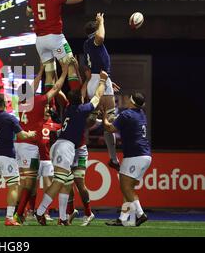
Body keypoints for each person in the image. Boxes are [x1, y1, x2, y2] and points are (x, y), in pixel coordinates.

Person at [35, 71, 108, 226]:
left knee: (67, 182)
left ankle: (62, 218)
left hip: (58, 145)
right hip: (66, 148)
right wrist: (102, 81)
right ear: (80, 100)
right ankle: (40, 211)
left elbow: (74, 95)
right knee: (58, 182)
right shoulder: (81, 110)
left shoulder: (68, 108)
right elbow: (97, 96)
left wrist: (81, 78)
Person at [13, 62, 68, 224]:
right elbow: (56, 88)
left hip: (19, 144)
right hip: (30, 146)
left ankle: (21, 213)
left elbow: (34, 84)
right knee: (29, 183)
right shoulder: (39, 101)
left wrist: (41, 70)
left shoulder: (22, 103)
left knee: (26, 181)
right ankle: (19, 214)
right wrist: (64, 72)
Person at [26, 0, 92, 94]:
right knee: (71, 67)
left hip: (40, 41)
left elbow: (28, 12)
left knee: (49, 74)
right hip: (55, 39)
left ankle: (49, 109)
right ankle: (75, 105)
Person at [0, 95, 36, 226]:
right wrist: (30, 134)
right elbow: (21, 135)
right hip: (7, 156)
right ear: (4, 103)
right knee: (13, 186)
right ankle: (9, 218)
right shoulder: (10, 118)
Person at [102, 93, 151, 227]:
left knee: (126, 187)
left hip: (135, 156)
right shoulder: (141, 113)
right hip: (144, 155)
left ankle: (140, 215)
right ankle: (123, 218)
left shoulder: (127, 114)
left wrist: (104, 116)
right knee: (128, 189)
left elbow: (109, 128)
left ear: (131, 101)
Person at [83, 13, 121, 170]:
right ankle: (113, 159)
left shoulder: (86, 44)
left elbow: (87, 70)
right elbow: (101, 38)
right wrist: (102, 22)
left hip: (94, 80)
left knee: (92, 118)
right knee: (109, 120)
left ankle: (70, 137)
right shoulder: (95, 40)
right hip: (101, 81)